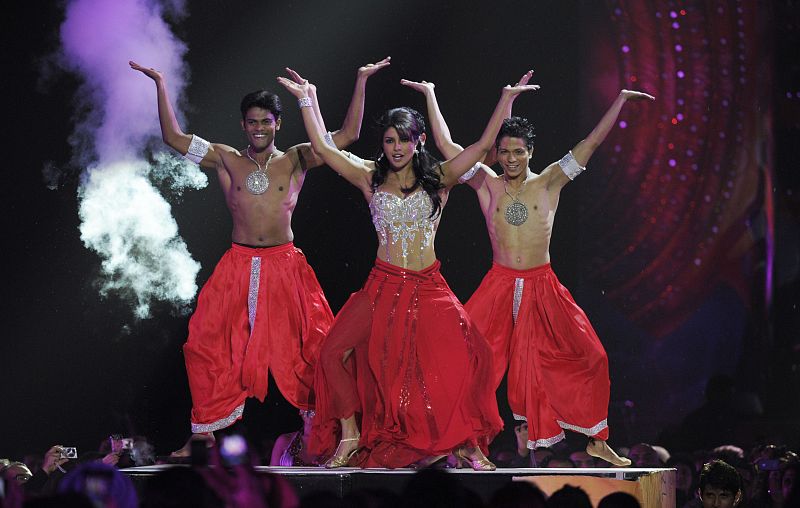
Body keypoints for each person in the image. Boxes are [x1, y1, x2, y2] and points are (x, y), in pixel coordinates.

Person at [277, 68, 539, 469]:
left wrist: (507, 99)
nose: (396, 147)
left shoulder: (440, 178)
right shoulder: (369, 177)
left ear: (418, 142)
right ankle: (350, 437)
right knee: (332, 352)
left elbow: (485, 144)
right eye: (388, 140)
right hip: (381, 287)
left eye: (403, 139)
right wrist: (307, 98)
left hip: (428, 287)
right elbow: (325, 149)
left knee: (470, 356)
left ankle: (466, 442)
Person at [130, 57, 391, 456]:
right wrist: (161, 84)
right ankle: (203, 434)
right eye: (252, 122)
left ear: (278, 124)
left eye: (266, 121)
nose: (259, 128)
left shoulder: (298, 157)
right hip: (236, 265)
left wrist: (360, 80)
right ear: (243, 125)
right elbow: (174, 137)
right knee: (203, 342)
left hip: (286, 265)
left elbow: (349, 134)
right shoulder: (225, 158)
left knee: (314, 343)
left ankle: (325, 428)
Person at [401, 75, 655, 467]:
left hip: (543, 287)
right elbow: (449, 147)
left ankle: (595, 439)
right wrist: (435, 95)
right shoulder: (487, 184)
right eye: (503, 152)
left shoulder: (550, 182)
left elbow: (590, 144)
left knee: (592, 357)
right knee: (466, 358)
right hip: (499, 284)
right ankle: (460, 442)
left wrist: (619, 100)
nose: (510, 159)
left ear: (530, 152)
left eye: (517, 152)